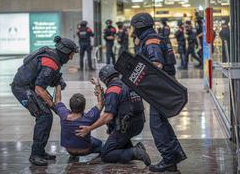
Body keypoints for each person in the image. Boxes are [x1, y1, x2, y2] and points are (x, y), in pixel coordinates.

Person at [131, 13, 186, 173]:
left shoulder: (151, 42)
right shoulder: (153, 38)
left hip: (161, 89)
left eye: (135, 28)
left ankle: (169, 160)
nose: (133, 31)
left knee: (157, 125)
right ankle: (174, 156)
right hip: (163, 87)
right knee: (162, 123)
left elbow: (156, 64)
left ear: (139, 27)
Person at [11, 36, 79, 166]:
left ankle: (40, 152)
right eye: (70, 55)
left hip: (30, 86)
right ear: (65, 52)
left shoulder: (52, 55)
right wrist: (55, 107)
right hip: (23, 88)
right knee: (44, 116)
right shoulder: (51, 63)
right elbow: (39, 89)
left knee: (46, 114)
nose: (71, 58)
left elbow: (48, 76)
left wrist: (59, 81)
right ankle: (35, 154)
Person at [76, 65, 150, 165]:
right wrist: (98, 86)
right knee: (115, 135)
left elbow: (108, 116)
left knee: (106, 154)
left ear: (105, 80)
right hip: (138, 123)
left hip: (126, 128)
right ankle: (133, 148)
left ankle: (134, 152)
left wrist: (89, 128)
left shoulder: (113, 90)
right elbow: (116, 102)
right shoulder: (127, 83)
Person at [52, 78, 103, 158]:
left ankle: (73, 156)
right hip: (85, 150)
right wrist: (97, 85)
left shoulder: (63, 114)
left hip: (69, 150)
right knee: (100, 144)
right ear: (84, 107)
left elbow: (57, 100)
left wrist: (58, 84)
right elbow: (100, 103)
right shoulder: (89, 117)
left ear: (70, 106)